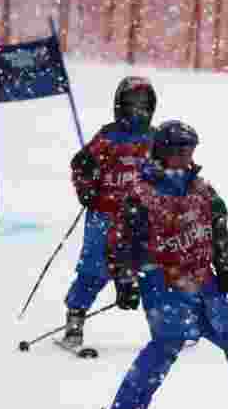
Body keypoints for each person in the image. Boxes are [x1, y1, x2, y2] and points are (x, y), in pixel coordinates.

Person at [85, 120, 228, 409]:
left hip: (202, 281)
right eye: (178, 150)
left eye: (189, 150)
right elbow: (120, 243)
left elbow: (219, 230)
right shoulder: (141, 194)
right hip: (162, 281)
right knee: (168, 341)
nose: (185, 157)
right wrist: (125, 281)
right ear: (162, 152)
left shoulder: (201, 189)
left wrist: (227, 267)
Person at [63, 76, 157, 348]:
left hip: (143, 216)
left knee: (152, 267)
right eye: (131, 104)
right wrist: (86, 189)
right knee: (95, 267)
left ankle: (166, 322)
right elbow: (81, 164)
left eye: (143, 105)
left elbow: (172, 169)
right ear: (120, 106)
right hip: (105, 214)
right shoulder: (108, 136)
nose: (137, 110)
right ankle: (75, 316)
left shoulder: (154, 138)